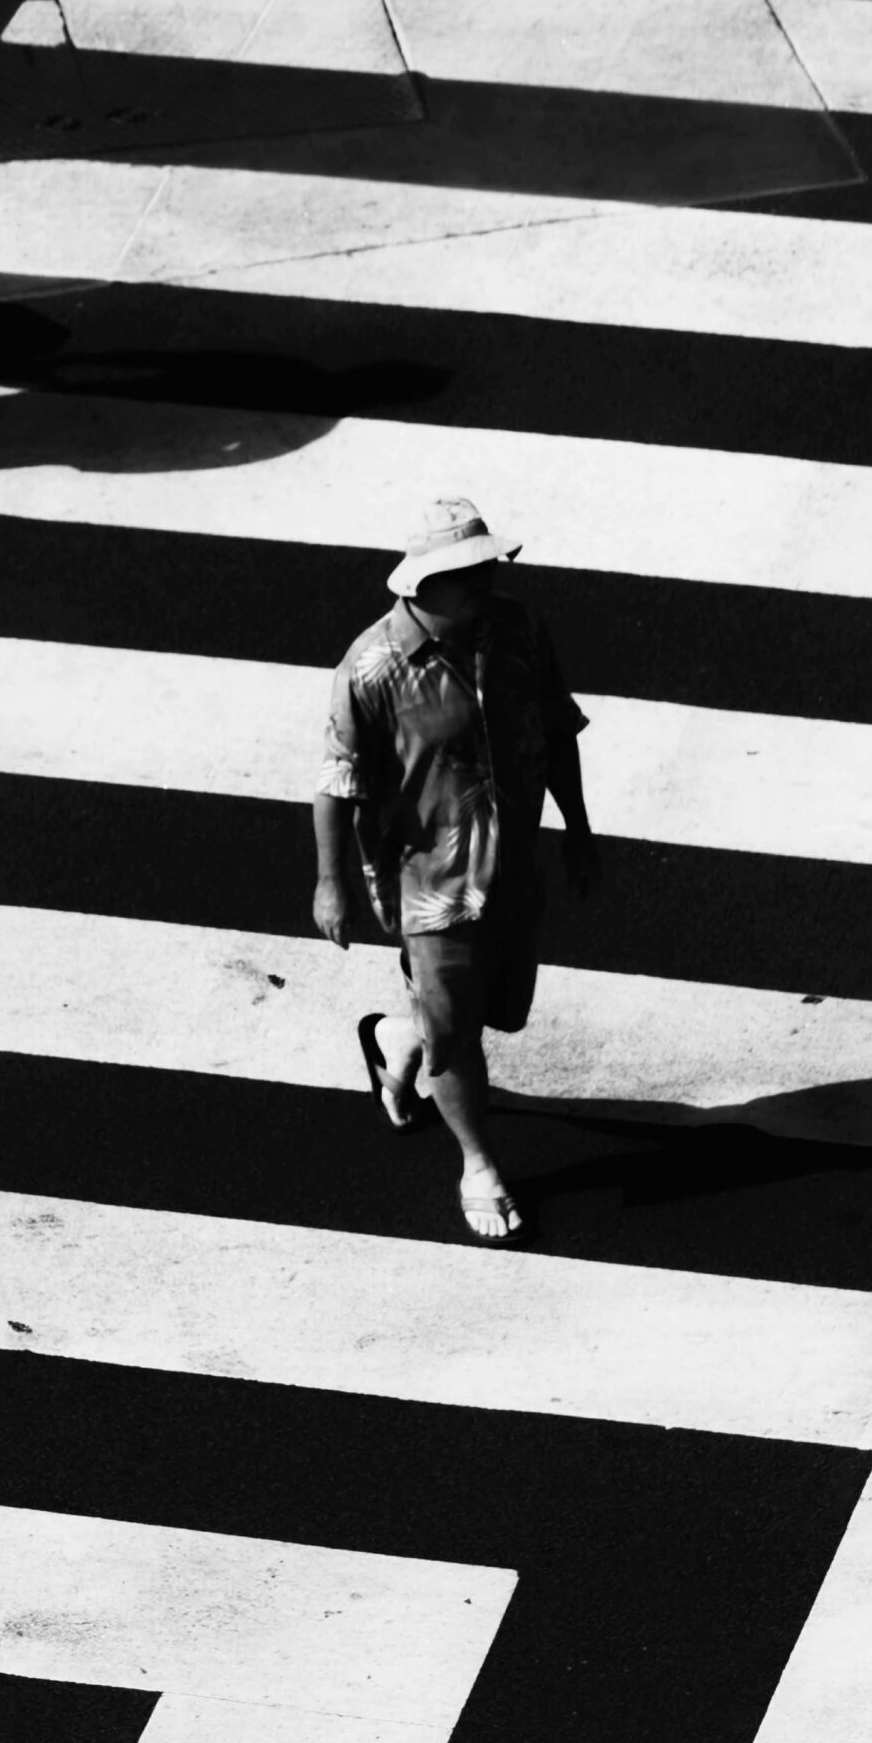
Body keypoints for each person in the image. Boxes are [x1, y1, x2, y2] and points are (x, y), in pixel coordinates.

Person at [312, 496, 600, 1242]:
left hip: (512, 867)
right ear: (423, 584)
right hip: (428, 887)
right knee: (457, 1037)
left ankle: (399, 1043)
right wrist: (333, 882)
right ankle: (478, 1163)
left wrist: (579, 827)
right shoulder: (370, 670)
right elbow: (337, 783)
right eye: (469, 573)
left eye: (488, 567)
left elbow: (556, 727)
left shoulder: (517, 628)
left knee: (498, 1012)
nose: (487, 582)